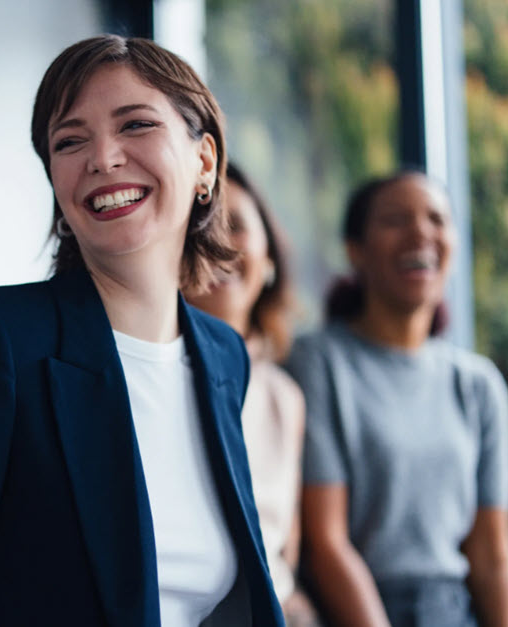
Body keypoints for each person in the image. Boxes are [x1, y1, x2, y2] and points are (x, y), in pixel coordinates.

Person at [0, 35, 283, 626]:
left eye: (135, 125)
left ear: (204, 163)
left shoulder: (223, 357)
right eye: (70, 140)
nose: (103, 157)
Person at [285, 171, 508, 626]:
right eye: (395, 220)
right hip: (354, 610)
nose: (421, 233)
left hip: (453, 610)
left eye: (437, 219)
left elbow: (492, 551)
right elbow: (326, 544)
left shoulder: (478, 384)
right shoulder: (318, 363)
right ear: (356, 251)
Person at [185, 163, 317, 626]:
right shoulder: (149, 376)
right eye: (201, 224)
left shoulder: (285, 397)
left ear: (269, 261)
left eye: (236, 225)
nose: (219, 241)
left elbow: (286, 554)